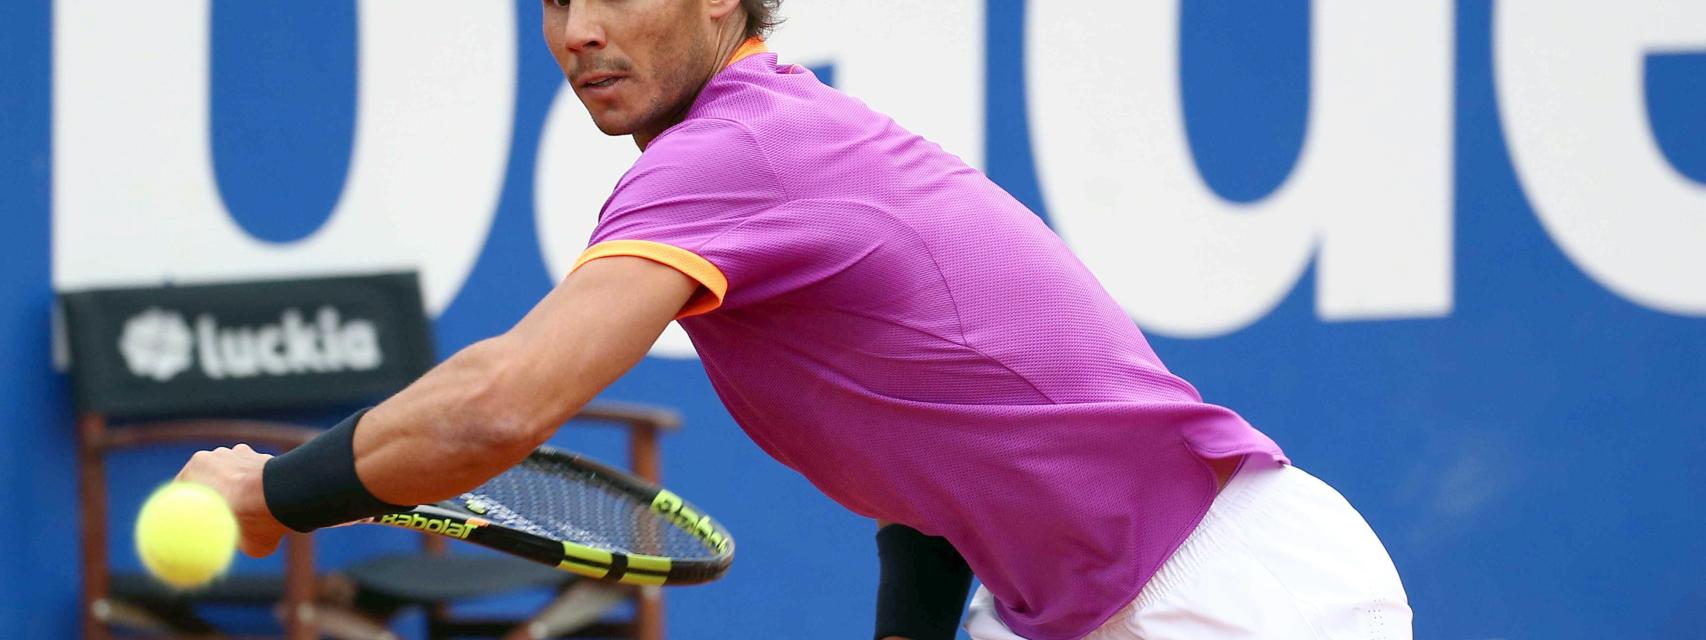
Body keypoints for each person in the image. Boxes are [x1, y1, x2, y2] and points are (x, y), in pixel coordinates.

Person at [176, 1, 1413, 638]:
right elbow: (928, 474)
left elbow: (498, 405)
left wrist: (272, 494)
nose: (577, 31)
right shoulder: (764, 147)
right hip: (1066, 606)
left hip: (1232, 597)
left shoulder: (736, 155)